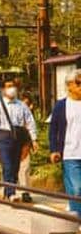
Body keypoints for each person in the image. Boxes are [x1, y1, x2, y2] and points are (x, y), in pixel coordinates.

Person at [0, 78, 38, 201]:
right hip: (4, 138)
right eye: (8, 86)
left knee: (15, 167)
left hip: (18, 138)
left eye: (13, 86)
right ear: (3, 90)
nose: (12, 89)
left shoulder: (22, 105)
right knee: (7, 166)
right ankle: (11, 193)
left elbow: (30, 122)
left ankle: (8, 190)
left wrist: (34, 139)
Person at [49, 69, 81, 217]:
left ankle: (75, 214)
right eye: (78, 83)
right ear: (69, 86)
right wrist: (54, 150)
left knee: (73, 188)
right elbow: (53, 129)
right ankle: (78, 218)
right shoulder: (61, 105)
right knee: (77, 188)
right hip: (70, 153)